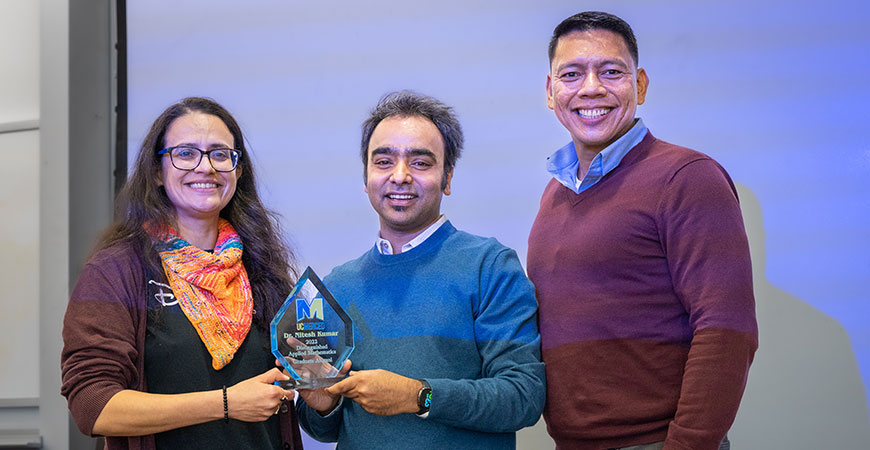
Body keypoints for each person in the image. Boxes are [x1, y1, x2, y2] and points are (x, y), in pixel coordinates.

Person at [526, 12, 758, 450]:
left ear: (641, 85)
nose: (591, 88)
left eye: (611, 71)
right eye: (571, 74)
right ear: (551, 93)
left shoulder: (687, 177)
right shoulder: (553, 196)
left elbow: (727, 330)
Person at [295, 91, 545, 449]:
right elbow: (325, 429)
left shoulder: (489, 266)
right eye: (383, 161)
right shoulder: (335, 286)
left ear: (447, 178)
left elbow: (523, 397)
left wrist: (419, 396)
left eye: (420, 163)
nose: (400, 176)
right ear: (366, 178)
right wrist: (324, 403)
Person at [61, 97, 304, 450]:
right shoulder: (115, 270)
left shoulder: (264, 270)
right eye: (186, 153)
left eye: (220, 154)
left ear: (238, 171)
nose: (206, 167)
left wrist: (320, 378)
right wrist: (225, 404)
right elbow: (93, 406)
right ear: (157, 172)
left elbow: (295, 387)